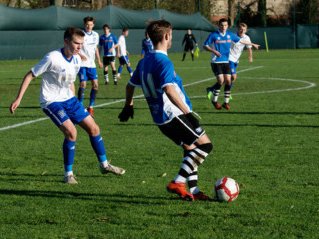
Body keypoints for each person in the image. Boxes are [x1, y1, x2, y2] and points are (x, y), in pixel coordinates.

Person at [10, 27, 125, 184]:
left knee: (94, 128)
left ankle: (104, 165)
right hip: (51, 101)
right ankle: (68, 175)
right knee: (72, 132)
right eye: (76, 43)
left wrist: (74, 101)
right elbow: (30, 75)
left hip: (69, 100)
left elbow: (70, 83)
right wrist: (18, 99)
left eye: (81, 44)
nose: (79, 47)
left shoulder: (77, 59)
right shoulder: (52, 58)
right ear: (66, 41)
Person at [118, 20, 213, 201]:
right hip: (173, 114)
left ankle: (193, 191)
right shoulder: (164, 62)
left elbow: (130, 86)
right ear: (166, 36)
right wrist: (187, 113)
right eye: (171, 36)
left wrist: (128, 106)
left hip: (160, 119)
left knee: (190, 150)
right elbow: (169, 89)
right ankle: (178, 182)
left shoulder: (144, 61)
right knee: (206, 145)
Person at [203, 18, 259, 110]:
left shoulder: (230, 35)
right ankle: (214, 100)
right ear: (219, 26)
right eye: (221, 25)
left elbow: (241, 41)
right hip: (216, 61)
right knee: (221, 81)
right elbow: (205, 45)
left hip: (226, 61)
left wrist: (253, 44)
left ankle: (226, 102)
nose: (223, 27)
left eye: (225, 25)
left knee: (228, 81)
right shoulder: (214, 35)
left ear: (227, 26)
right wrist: (213, 51)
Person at [77, 16, 103, 118]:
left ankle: (91, 107)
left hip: (92, 65)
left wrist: (99, 61)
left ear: (93, 25)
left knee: (95, 85)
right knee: (83, 84)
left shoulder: (95, 35)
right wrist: (80, 55)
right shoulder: (80, 34)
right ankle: (80, 106)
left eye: (91, 24)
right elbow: (75, 47)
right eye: (87, 24)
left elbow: (95, 48)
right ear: (84, 25)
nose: (89, 26)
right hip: (82, 64)